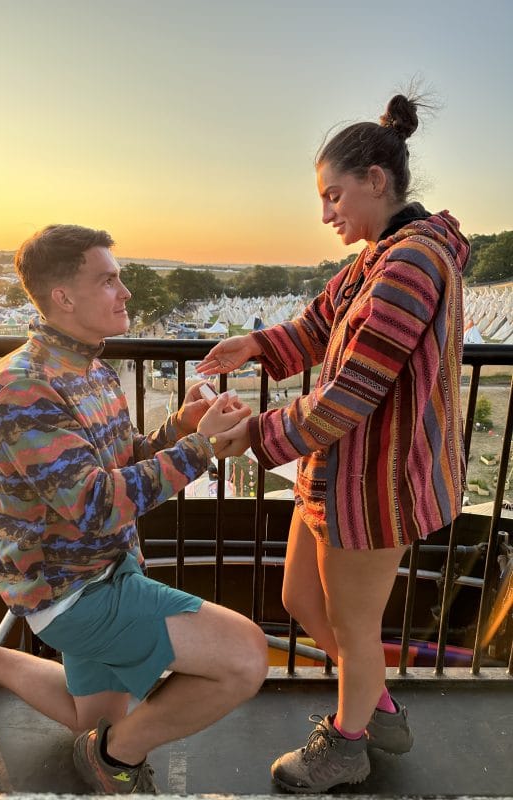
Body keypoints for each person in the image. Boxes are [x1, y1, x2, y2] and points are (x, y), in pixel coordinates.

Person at [0, 224, 268, 794]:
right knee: (245, 657)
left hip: (106, 569)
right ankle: (111, 761)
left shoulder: (90, 370)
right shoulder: (21, 386)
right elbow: (94, 504)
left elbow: (125, 460)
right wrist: (201, 447)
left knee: (103, 723)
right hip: (72, 592)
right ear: (63, 297)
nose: (125, 293)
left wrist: (181, 426)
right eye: (109, 280)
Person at [196, 92, 469, 793]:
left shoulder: (411, 264)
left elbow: (351, 389)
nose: (327, 214)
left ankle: (346, 746)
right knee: (302, 600)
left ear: (376, 179)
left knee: (351, 624)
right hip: (338, 473)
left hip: (378, 484)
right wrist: (253, 345)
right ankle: (375, 706)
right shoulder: (377, 259)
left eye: (333, 195)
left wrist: (253, 436)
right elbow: (319, 327)